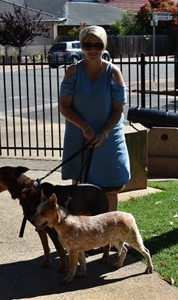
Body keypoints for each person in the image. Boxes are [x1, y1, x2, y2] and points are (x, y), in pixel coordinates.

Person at [59, 25, 130, 212]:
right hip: (79, 135)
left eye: (97, 45)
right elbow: (64, 106)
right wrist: (85, 127)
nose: (92, 50)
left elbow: (118, 109)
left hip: (108, 137)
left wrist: (103, 133)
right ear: (81, 46)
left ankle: (112, 237)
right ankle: (84, 235)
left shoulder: (114, 72)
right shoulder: (73, 71)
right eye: (87, 44)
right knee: (80, 187)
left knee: (111, 189)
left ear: (104, 46)